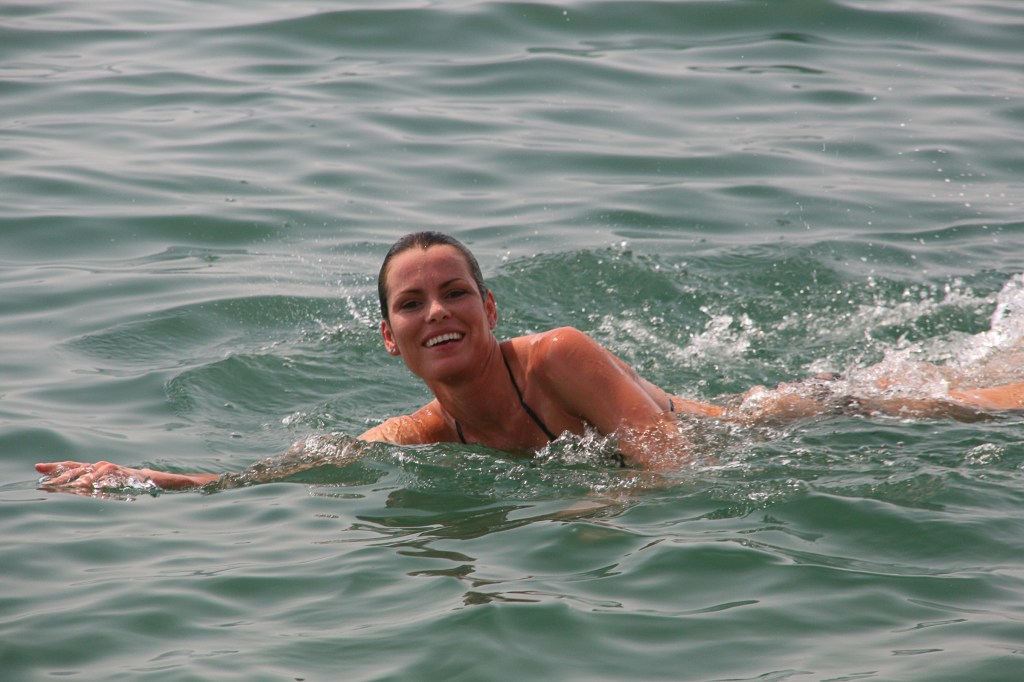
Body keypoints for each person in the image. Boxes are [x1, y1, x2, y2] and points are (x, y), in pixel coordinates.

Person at [35, 231, 1024, 492]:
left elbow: (678, 463)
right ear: (389, 336)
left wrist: (604, 506)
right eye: (411, 303)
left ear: (489, 308)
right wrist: (160, 480)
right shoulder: (424, 431)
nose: (437, 311)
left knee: (973, 403)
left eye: (455, 291)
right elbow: (291, 471)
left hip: (780, 421)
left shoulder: (558, 357)